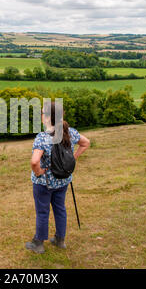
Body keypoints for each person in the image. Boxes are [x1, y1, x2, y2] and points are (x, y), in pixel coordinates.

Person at [26, 101, 90, 254]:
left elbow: (34, 161)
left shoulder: (42, 137)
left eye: (42, 113)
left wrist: (38, 172)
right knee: (60, 209)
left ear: (48, 117)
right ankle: (60, 240)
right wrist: (73, 159)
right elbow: (86, 143)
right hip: (63, 180)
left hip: (44, 183)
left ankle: (39, 244)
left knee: (43, 212)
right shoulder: (70, 132)